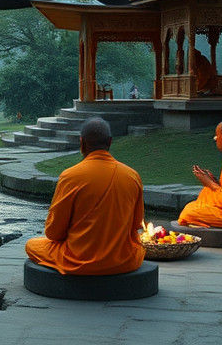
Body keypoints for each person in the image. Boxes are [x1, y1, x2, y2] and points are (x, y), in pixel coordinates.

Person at [25, 117, 145, 275]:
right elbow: (136, 224)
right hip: (124, 260)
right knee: (138, 246)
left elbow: (54, 233)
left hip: (79, 260)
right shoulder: (132, 176)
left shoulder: (70, 176)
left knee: (32, 245)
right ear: (109, 142)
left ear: (82, 143)